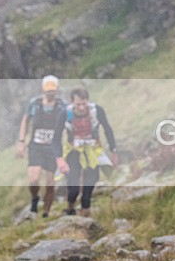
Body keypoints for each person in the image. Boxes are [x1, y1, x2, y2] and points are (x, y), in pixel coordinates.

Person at [53, 87, 118, 217]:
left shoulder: (97, 111)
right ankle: (70, 206)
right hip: (73, 150)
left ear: (87, 101)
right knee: (73, 188)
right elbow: (56, 138)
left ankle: (85, 210)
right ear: (72, 102)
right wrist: (59, 159)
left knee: (92, 180)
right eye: (78, 104)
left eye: (84, 104)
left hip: (92, 149)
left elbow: (107, 129)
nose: (82, 107)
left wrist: (113, 150)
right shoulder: (65, 114)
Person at [16, 75, 68, 218]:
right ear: (43, 90)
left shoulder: (62, 105)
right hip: (36, 146)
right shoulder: (35, 104)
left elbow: (70, 122)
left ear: (57, 90)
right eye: (48, 90)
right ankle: (34, 198)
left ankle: (45, 212)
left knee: (50, 183)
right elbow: (25, 120)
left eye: (53, 90)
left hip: (53, 148)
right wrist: (21, 141)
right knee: (33, 178)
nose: (50, 93)